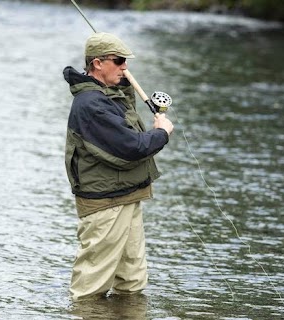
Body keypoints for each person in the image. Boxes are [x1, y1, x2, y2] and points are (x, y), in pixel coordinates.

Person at [63, 32, 174, 301]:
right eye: (119, 61)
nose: (125, 67)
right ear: (98, 63)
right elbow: (131, 147)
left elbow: (123, 114)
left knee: (132, 283)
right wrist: (162, 133)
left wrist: (122, 80)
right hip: (105, 204)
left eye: (126, 62)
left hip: (126, 196)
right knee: (90, 288)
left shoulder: (107, 95)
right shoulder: (91, 105)